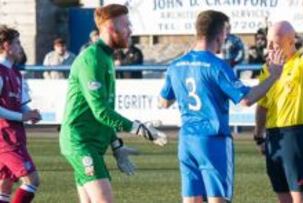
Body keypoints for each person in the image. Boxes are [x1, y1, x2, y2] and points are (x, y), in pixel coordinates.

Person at [159, 10, 284, 203]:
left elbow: (164, 101)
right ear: (220, 35)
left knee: (191, 200)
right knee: (218, 199)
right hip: (212, 141)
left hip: (186, 141)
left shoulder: (176, 65)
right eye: (225, 33)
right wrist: (274, 76)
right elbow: (246, 99)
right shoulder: (217, 66)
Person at [59, 4, 167, 203]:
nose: (131, 30)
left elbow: (105, 111)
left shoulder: (106, 57)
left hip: (91, 143)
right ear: (110, 27)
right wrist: (139, 129)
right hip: (80, 142)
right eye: (126, 25)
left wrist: (116, 145)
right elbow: (101, 111)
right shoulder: (92, 59)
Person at [254, 0, 303, 202]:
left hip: (295, 138)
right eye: (268, 41)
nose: (268, 47)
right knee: (283, 198)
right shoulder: (268, 69)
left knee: (301, 198)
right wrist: (259, 136)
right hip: (273, 138)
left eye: (274, 43)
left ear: (290, 42)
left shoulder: (302, 63)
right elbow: (262, 105)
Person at [0, 25, 42, 203]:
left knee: (5, 185)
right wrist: (21, 117)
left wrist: (30, 113)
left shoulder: (16, 73)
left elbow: (22, 104)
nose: (20, 47)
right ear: (7, 46)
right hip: (6, 138)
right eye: (17, 43)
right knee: (32, 179)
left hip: (15, 135)